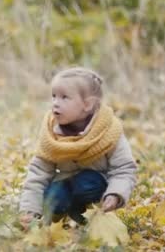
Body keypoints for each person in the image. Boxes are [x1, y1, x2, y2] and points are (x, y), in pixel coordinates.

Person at [18, 67, 137, 228]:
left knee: (87, 182)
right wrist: (29, 209)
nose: (55, 103)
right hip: (65, 183)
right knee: (52, 198)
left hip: (97, 187)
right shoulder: (51, 134)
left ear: (87, 105)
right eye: (54, 96)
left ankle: (90, 214)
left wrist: (115, 194)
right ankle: (68, 212)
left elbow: (124, 168)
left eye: (64, 97)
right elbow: (39, 172)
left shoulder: (109, 131)